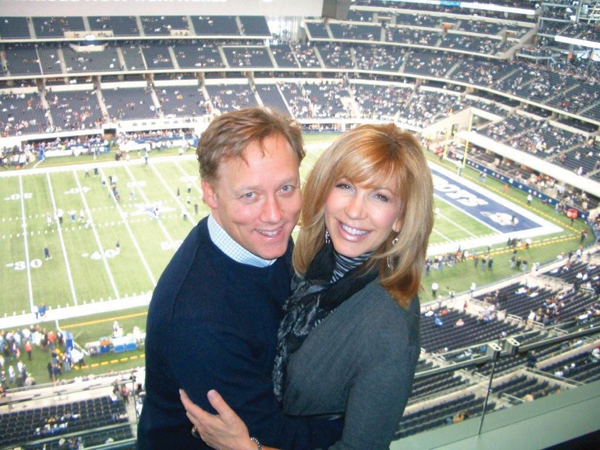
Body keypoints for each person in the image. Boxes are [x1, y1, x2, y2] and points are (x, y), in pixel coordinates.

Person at [181, 123, 433, 449]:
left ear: (400, 217)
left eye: (380, 196)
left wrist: (246, 448)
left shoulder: (389, 325)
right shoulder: (312, 260)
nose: (355, 211)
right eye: (345, 186)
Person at [137, 108, 342, 450]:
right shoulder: (198, 321)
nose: (275, 215)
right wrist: (359, 425)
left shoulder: (260, 240)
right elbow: (273, 437)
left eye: (286, 188)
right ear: (211, 194)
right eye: (250, 195)